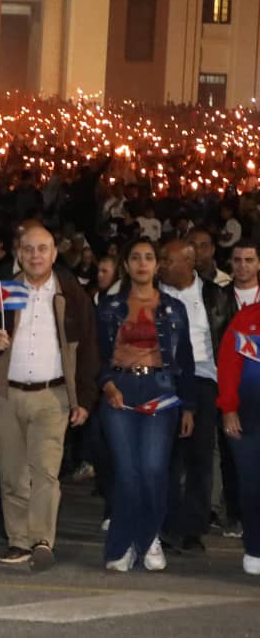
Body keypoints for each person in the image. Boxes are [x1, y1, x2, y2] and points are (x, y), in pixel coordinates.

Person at [0, 225, 99, 571]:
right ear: (19, 254)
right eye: (29, 249)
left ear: (54, 253)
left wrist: (83, 398)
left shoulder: (71, 293)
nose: (36, 255)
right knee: (12, 474)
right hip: (7, 394)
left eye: (43, 249)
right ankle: (18, 540)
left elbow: (88, 350)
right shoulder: (1, 290)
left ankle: (41, 540)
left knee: (46, 473)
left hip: (53, 397)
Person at [97, 238, 195, 572]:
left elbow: (185, 360)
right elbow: (96, 355)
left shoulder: (173, 308)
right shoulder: (109, 306)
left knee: (153, 470)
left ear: (157, 265)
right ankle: (122, 545)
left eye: (149, 257)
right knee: (127, 473)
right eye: (135, 257)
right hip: (120, 389)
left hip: (161, 390)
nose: (142, 263)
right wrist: (107, 384)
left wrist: (190, 406)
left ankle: (148, 536)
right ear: (126, 265)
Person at [159, 238, 231, 552]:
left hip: (204, 381)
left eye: (167, 260)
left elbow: (227, 343)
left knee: (200, 457)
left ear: (188, 264)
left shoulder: (214, 296)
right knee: (166, 458)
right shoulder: (154, 294)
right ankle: (166, 525)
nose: (161, 265)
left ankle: (193, 528)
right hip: (163, 380)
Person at [217, 298, 260, 574]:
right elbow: (228, 364)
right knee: (250, 484)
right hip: (248, 416)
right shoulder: (246, 318)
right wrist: (229, 408)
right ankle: (255, 548)